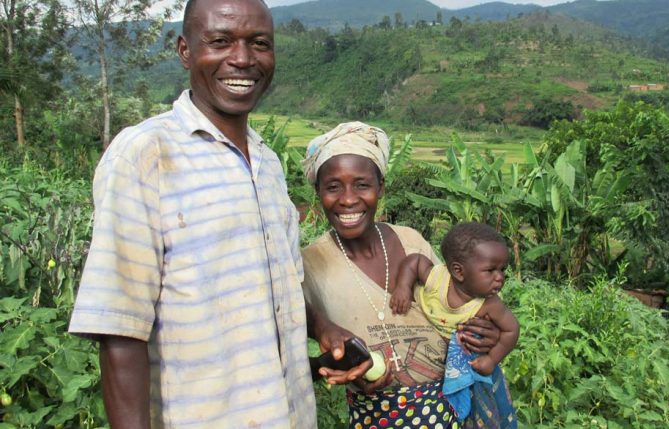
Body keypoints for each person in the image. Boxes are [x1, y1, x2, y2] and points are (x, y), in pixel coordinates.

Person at [68, 0, 361, 427]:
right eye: (220, 41)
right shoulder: (145, 154)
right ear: (185, 50)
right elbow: (119, 329)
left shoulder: (268, 162)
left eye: (259, 44)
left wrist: (322, 328)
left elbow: (274, 284)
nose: (242, 59)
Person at [301, 122, 506, 428]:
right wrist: (339, 368)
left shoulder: (412, 241)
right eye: (333, 186)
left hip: (451, 412)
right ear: (318, 192)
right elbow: (296, 360)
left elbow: (462, 301)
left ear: (381, 187)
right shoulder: (309, 265)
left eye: (362, 184)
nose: (347, 199)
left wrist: (485, 330)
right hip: (376, 418)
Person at [391, 222, 519, 425]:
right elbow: (414, 262)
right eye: (491, 270)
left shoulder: (489, 304)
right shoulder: (437, 279)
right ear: (459, 272)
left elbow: (512, 329)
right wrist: (403, 287)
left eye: (503, 270)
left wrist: (492, 360)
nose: (500, 278)